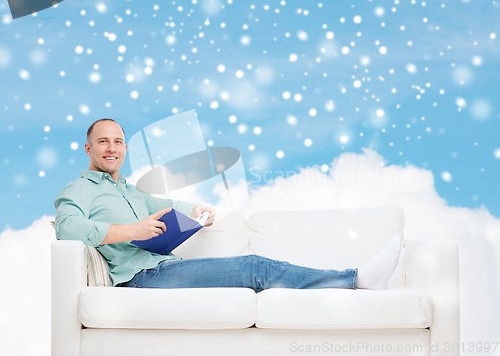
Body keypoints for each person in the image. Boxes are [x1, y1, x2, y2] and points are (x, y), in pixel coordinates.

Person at [54, 118, 402, 291]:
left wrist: (195, 210)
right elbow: (68, 227)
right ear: (89, 149)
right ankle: (355, 280)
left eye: (118, 141)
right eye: (103, 142)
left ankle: (351, 280)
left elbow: (164, 201)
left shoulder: (130, 191)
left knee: (252, 267)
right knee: (254, 267)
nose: (111, 148)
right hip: (140, 279)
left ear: (126, 149)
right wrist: (132, 230)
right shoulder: (80, 188)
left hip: (161, 267)